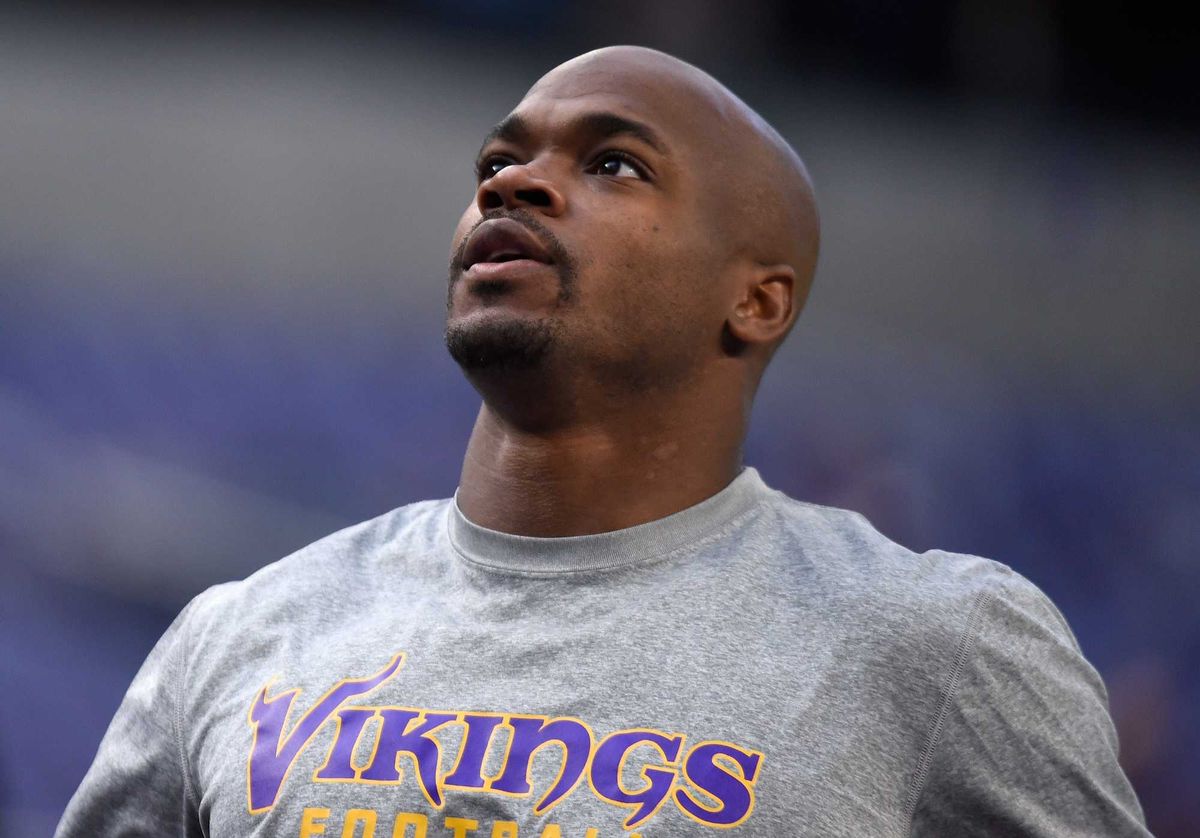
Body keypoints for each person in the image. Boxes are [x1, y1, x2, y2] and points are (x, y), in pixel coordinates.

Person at [58, 46, 1150, 837]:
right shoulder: (242, 633)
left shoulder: (934, 645)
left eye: (615, 164)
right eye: (500, 156)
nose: (512, 182)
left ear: (757, 301)